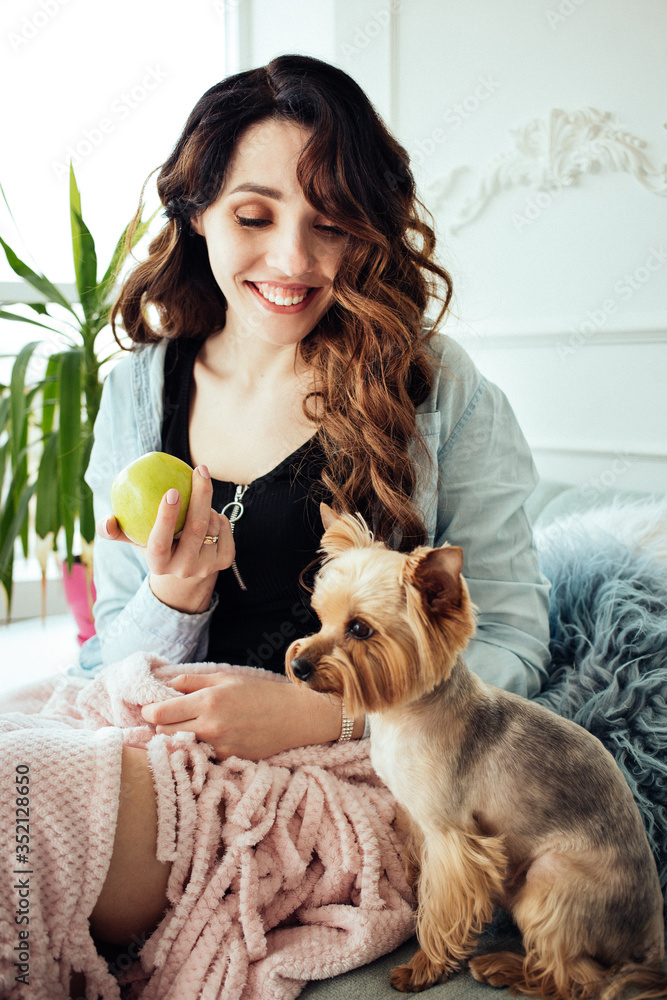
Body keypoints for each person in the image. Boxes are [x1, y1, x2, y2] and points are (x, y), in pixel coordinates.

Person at [68, 51, 550, 969]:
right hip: (167, 749)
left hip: (365, 778)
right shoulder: (140, 393)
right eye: (254, 216)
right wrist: (176, 600)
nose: (292, 260)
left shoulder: (437, 392)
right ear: (196, 210)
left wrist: (325, 715)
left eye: (329, 225)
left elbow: (517, 643)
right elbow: (107, 668)